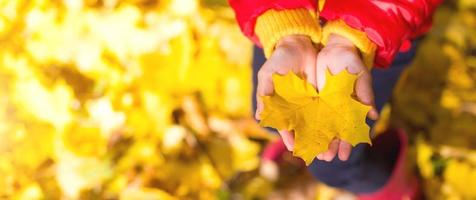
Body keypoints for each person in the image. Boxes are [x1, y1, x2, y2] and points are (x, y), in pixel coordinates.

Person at [229, 0, 442, 199]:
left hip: (380, 30)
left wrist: (352, 37)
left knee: (334, 168)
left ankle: (395, 185)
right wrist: (286, 29)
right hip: (282, 17)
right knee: (270, 116)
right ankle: (304, 147)